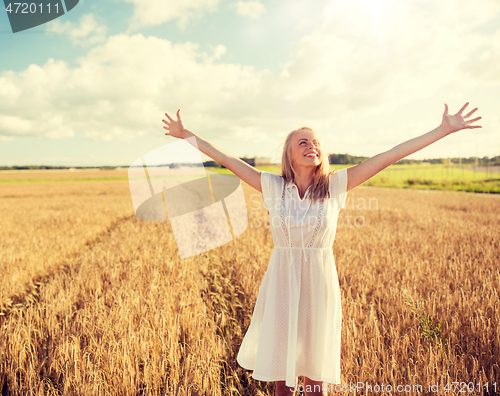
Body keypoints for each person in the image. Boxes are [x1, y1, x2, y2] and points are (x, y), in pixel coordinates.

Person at [162, 103, 481, 396]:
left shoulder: (335, 185)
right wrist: (187, 135)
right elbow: (227, 160)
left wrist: (443, 130)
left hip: (319, 283)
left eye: (315, 142)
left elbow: (388, 156)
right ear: (288, 154)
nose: (311, 146)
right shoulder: (274, 187)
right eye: (302, 142)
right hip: (282, 283)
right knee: (281, 375)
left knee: (316, 376)